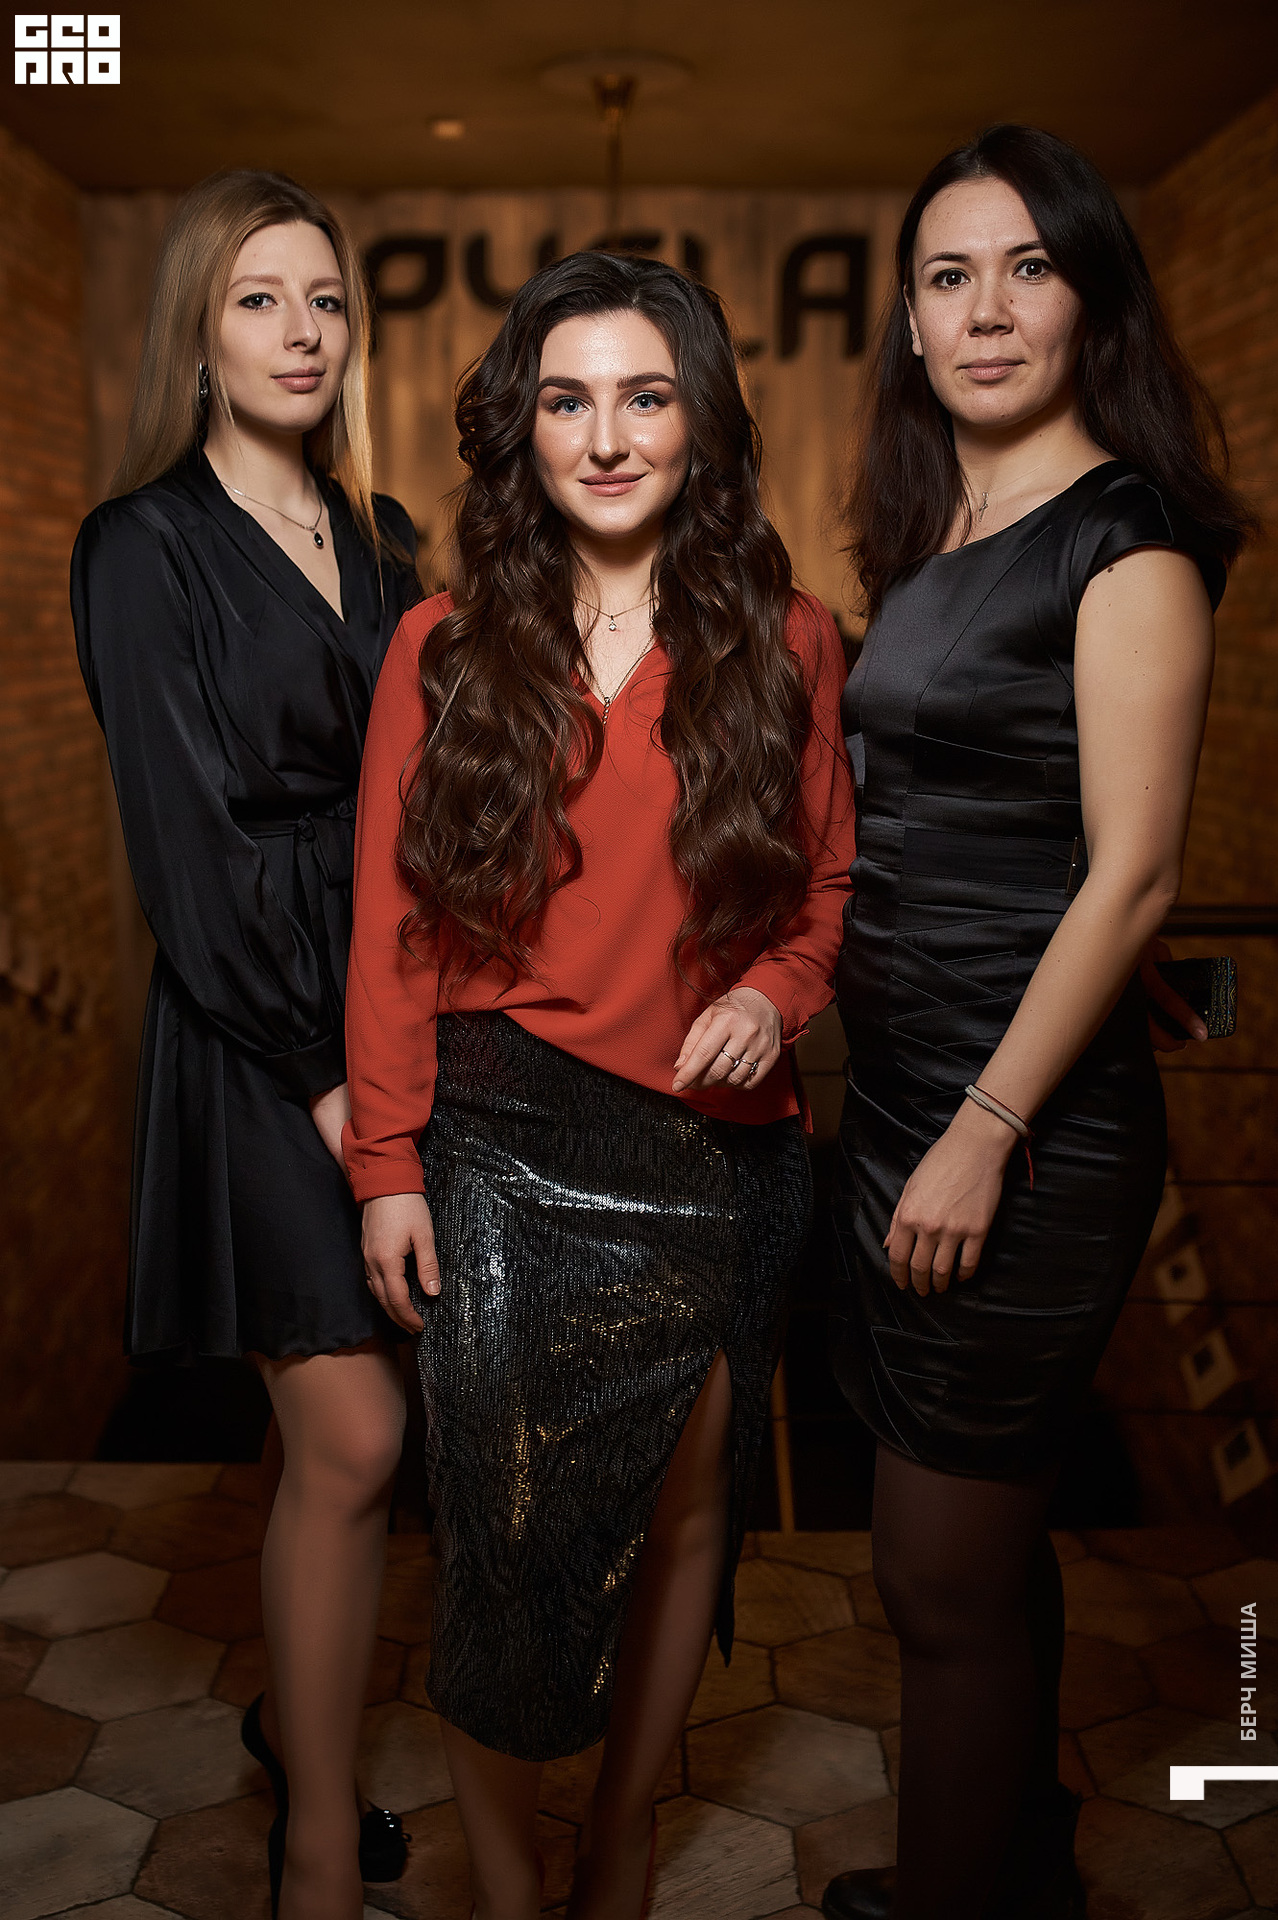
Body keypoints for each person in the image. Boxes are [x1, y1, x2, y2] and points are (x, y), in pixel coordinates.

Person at [343, 249, 858, 1920]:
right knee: (500, 1533)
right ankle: (506, 1885)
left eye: (646, 396)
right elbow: (393, 929)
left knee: (693, 1503)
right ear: (526, 428)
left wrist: (775, 997)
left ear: (700, 421)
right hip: (504, 1140)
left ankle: (621, 1840)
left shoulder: (789, 639)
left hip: (719, 1153)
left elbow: (827, 890)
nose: (609, 436)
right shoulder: (439, 648)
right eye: (568, 400)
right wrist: (389, 1164)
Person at [819, 125, 1255, 1920]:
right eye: (949, 275)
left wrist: (986, 1132)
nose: (986, 310)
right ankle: (1017, 1868)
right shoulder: (941, 531)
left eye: (1028, 268)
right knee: (986, 1552)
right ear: (913, 321)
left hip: (1017, 1128)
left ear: (1092, 302)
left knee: (934, 1575)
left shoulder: (1125, 543)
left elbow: (1133, 878)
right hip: (907, 1094)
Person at [71, 170, 424, 1920]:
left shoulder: (385, 537)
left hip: (392, 1004)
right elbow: (191, 856)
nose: (301, 333)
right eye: (259, 299)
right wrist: (329, 1078)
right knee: (354, 1433)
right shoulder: (140, 545)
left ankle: (299, 1718)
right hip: (256, 1027)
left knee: (336, 1411)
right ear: (199, 337)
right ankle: (316, 1854)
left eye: (326, 300)